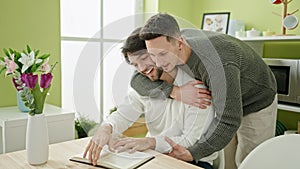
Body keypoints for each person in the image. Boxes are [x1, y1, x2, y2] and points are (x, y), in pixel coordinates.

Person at [131, 13, 278, 168]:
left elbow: (228, 119)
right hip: (224, 95)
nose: (158, 64)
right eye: (152, 55)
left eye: (162, 54)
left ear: (180, 43)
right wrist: (174, 91)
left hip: (256, 97)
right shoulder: (166, 47)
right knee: (228, 163)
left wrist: (193, 153)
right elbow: (136, 80)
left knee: (249, 162)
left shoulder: (216, 64)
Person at [83, 27, 218, 169]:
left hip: (194, 161)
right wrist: (106, 128)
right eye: (135, 64)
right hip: (155, 156)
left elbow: (191, 141)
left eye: (144, 58)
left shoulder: (196, 89)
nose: (141, 68)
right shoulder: (145, 87)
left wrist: (150, 142)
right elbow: (123, 115)